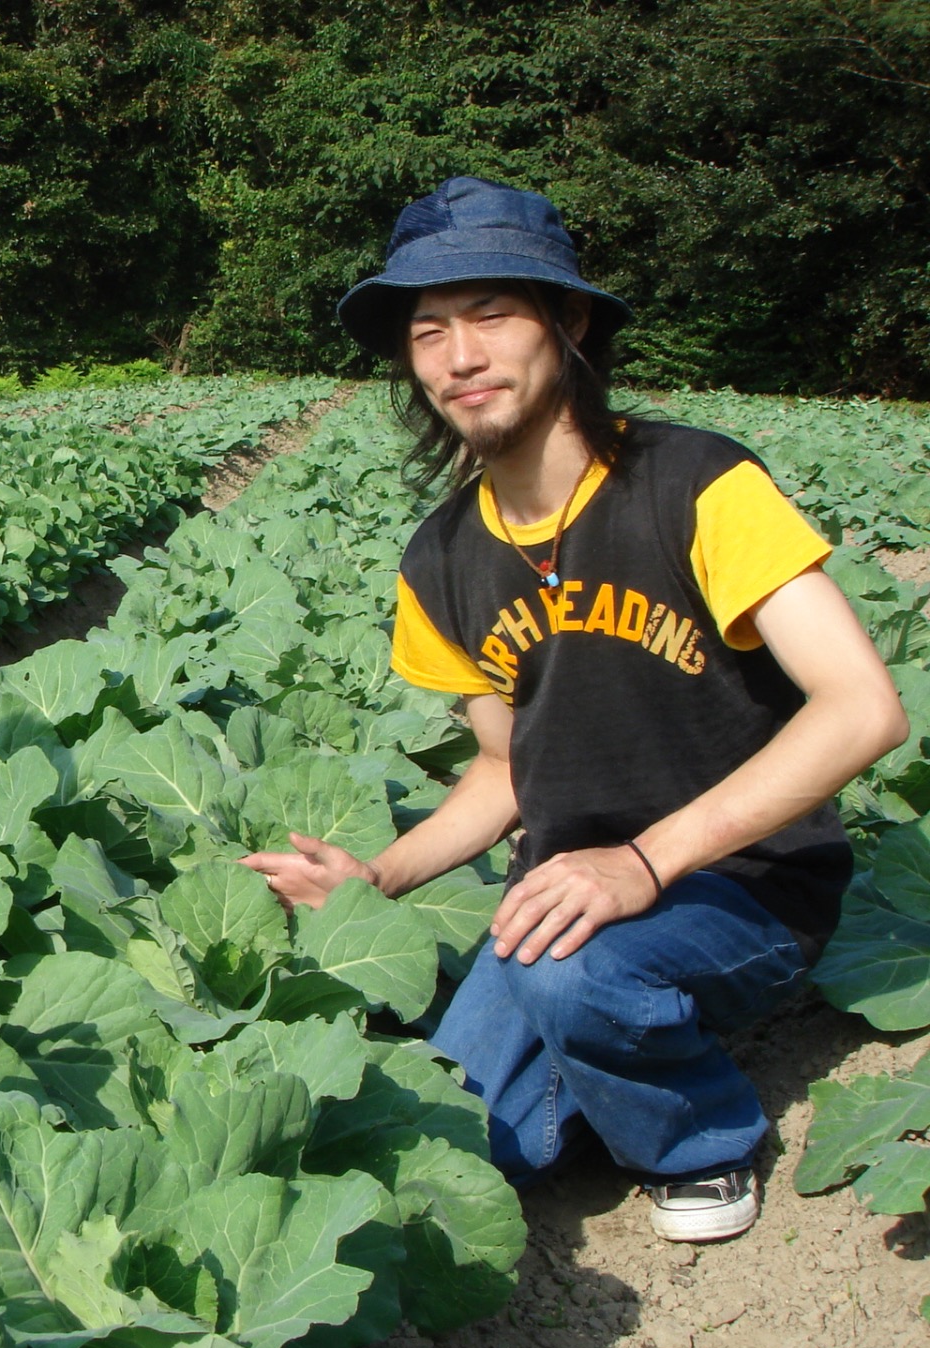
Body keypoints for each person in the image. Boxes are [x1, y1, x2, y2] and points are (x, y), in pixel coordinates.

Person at [241, 176, 906, 1242]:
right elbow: (505, 772)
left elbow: (862, 709)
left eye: (493, 314)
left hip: (737, 890)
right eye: (428, 332)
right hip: (558, 901)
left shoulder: (695, 484)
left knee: (575, 981)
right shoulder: (442, 559)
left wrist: (643, 862)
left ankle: (703, 1143)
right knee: (466, 1145)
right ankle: (605, 1046)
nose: (460, 357)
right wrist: (380, 877)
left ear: (571, 321)